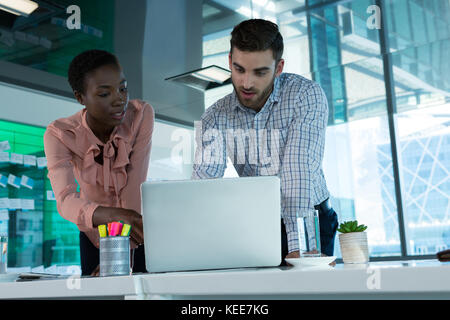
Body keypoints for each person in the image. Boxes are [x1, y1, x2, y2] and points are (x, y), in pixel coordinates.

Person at [192, 19, 338, 264]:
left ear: (278, 67)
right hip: (260, 223)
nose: (247, 83)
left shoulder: (306, 95)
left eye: (260, 72)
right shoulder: (215, 116)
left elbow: (297, 170)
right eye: (239, 70)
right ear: (229, 62)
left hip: (310, 220)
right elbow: (203, 184)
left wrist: (300, 247)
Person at [44, 49, 154, 276]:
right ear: (80, 97)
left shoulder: (141, 115)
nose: (120, 100)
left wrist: (119, 252)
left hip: (138, 231)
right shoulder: (60, 134)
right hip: (94, 237)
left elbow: (135, 184)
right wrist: (112, 232)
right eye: (105, 94)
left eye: (123, 88)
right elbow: (66, 201)